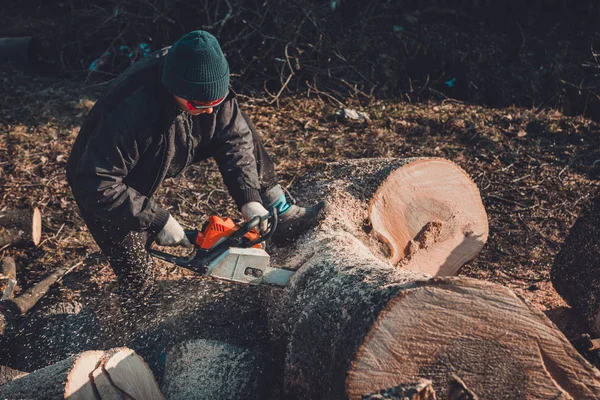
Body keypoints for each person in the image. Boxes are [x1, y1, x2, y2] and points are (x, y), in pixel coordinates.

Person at [66, 30, 324, 298]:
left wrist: (249, 198)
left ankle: (274, 205)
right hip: (103, 180)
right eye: (201, 104)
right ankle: (136, 310)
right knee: (139, 274)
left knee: (238, 124)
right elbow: (95, 182)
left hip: (177, 137)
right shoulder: (129, 109)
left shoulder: (208, 85)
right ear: (174, 88)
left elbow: (235, 140)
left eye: (216, 101)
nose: (210, 111)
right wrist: (157, 220)